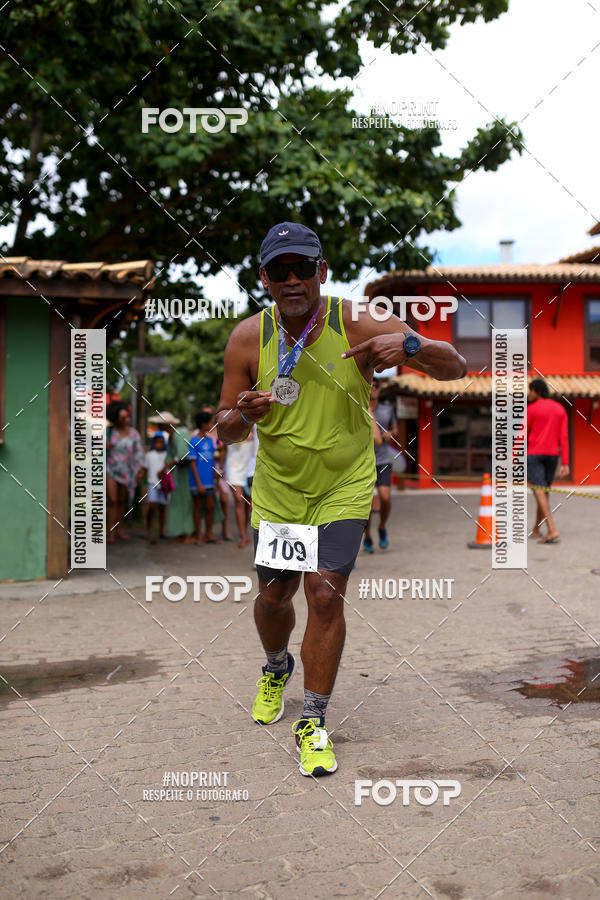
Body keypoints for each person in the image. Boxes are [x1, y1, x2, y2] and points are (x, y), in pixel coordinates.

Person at [216, 221, 466, 776]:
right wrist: (242, 417)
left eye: (303, 267)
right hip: (280, 489)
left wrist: (411, 343)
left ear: (322, 272)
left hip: (345, 483)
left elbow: (456, 366)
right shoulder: (246, 338)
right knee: (275, 597)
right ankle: (275, 665)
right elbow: (224, 427)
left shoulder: (355, 319)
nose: (292, 279)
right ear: (264, 278)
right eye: (279, 270)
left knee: (325, 596)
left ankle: (313, 720)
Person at [527, 378, 570, 544]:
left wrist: (515, 454)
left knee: (539, 490)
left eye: (530, 390)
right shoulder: (560, 409)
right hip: (553, 455)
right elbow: (564, 438)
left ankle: (552, 529)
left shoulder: (531, 409)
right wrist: (565, 463)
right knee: (543, 492)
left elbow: (522, 434)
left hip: (534, 454)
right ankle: (537, 529)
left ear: (537, 391)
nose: (529, 394)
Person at [363, 379, 400, 553]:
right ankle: (368, 536)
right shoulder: (360, 407)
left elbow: (395, 429)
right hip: (364, 461)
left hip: (383, 459)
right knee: (368, 504)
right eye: (371, 386)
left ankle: (382, 527)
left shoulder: (387, 408)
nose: (375, 389)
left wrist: (390, 434)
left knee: (385, 498)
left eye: (377, 386)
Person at [106, 401, 144, 543]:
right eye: (123, 418)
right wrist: (104, 446)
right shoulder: (109, 432)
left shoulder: (134, 434)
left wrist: (140, 471)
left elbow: (139, 453)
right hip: (110, 470)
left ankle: (119, 530)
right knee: (112, 501)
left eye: (127, 416)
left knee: (122, 501)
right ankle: (110, 533)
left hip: (127, 472)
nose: (127, 420)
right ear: (115, 419)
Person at [189, 411, 221, 544]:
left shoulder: (210, 441)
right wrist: (198, 483)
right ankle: (198, 536)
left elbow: (213, 460)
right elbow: (193, 464)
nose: (212, 425)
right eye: (210, 422)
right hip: (197, 482)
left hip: (210, 481)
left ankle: (208, 534)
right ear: (203, 424)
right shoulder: (194, 441)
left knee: (210, 507)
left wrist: (215, 474)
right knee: (197, 508)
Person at [226, 431, 254, 547]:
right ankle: (242, 536)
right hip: (233, 468)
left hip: (250, 469)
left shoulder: (255, 426)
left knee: (248, 504)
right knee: (239, 501)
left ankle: (244, 533)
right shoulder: (230, 425)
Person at [143, 432, 170, 540]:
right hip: (153, 484)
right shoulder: (149, 455)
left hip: (164, 485)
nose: (159, 444)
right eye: (157, 442)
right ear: (154, 443)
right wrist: (140, 475)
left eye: (161, 442)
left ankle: (162, 530)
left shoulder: (166, 455)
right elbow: (145, 468)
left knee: (162, 508)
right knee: (152, 506)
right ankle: (147, 529)